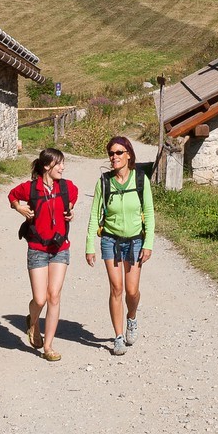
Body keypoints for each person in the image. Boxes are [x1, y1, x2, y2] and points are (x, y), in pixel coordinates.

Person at [85, 135, 154, 357]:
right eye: (111, 153)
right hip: (110, 240)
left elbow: (150, 214)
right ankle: (118, 337)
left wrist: (148, 243)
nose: (114, 157)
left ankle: (131, 318)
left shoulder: (141, 180)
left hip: (135, 241)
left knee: (132, 291)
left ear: (129, 155)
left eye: (118, 153)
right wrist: (89, 245)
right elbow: (94, 216)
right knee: (117, 288)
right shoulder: (104, 182)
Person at [8, 147, 78, 362]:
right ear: (47, 166)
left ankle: (48, 346)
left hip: (60, 249)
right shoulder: (30, 189)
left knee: (54, 296)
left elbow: (71, 201)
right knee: (40, 299)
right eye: (59, 164)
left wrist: (71, 210)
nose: (63, 167)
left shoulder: (67, 187)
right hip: (38, 249)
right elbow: (12, 195)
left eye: (63, 163)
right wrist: (19, 208)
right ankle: (33, 322)